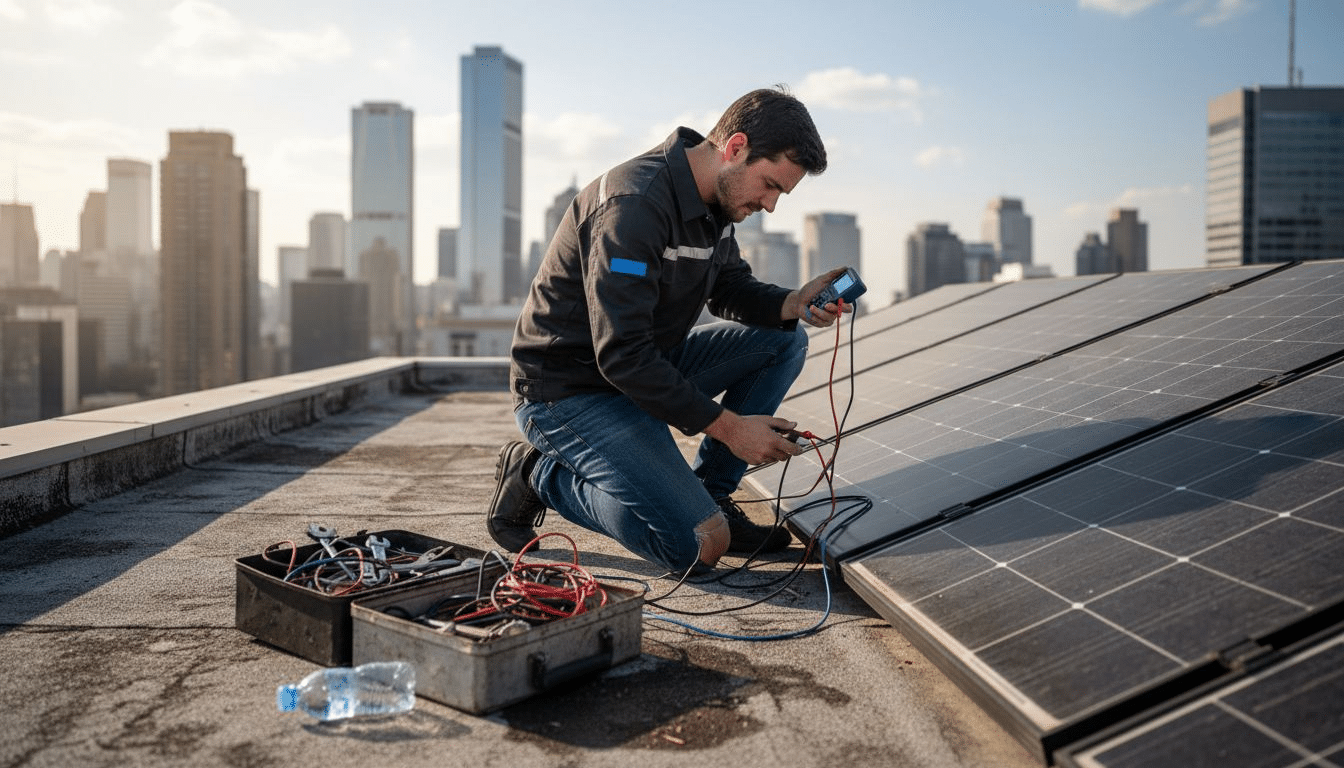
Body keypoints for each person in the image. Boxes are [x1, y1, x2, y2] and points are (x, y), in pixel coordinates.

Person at [487, 86, 850, 575]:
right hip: (567, 393)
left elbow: (729, 288)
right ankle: (538, 474)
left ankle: (712, 496)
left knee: (783, 339)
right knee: (696, 545)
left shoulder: (716, 206)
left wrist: (791, 302)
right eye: (769, 185)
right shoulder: (633, 204)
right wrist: (730, 428)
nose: (769, 206)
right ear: (735, 148)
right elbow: (622, 355)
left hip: (639, 373)